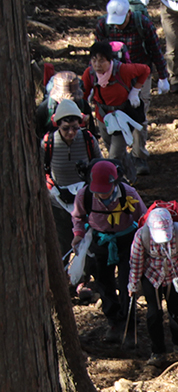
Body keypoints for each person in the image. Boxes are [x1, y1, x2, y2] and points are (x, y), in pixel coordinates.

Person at [71, 160, 147, 345]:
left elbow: (143, 218)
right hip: (100, 242)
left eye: (105, 189)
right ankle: (113, 322)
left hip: (126, 241)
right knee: (104, 282)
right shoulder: (85, 195)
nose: (101, 193)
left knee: (127, 282)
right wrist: (78, 235)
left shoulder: (128, 193)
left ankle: (130, 325)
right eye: (98, 189)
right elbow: (77, 217)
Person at [95, 0, 170, 175]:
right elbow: (97, 53)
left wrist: (163, 76)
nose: (118, 26)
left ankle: (139, 156)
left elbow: (155, 49)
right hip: (114, 76)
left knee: (137, 114)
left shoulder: (143, 24)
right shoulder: (104, 25)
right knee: (111, 116)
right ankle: (119, 157)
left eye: (121, 21)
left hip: (140, 75)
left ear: (129, 13)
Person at [128, 207, 178, 366]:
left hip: (175, 274)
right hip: (151, 276)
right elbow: (136, 261)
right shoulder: (142, 235)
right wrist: (133, 283)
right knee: (154, 313)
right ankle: (157, 352)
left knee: (177, 310)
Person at [41, 99, 102, 284]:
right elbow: (41, 170)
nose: (71, 133)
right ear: (57, 125)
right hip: (58, 201)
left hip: (85, 199)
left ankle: (84, 281)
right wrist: (54, 189)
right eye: (66, 128)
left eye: (75, 128)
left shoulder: (87, 139)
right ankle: (61, 281)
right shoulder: (48, 142)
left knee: (86, 241)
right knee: (63, 240)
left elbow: (99, 165)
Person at [82, 41, 150, 184]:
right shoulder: (90, 74)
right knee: (115, 150)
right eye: (94, 60)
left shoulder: (123, 70)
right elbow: (84, 93)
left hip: (122, 118)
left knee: (114, 156)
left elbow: (145, 70)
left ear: (110, 60)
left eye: (102, 61)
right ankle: (131, 177)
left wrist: (135, 91)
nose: (97, 65)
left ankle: (115, 184)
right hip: (103, 117)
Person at [36, 70, 98, 139]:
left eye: (72, 100)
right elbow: (38, 132)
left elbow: (92, 132)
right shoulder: (46, 108)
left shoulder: (83, 105)